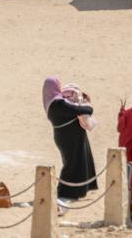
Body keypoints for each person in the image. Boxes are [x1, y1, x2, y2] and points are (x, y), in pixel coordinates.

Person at [43, 78, 96, 212]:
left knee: (78, 161)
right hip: (69, 137)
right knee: (72, 163)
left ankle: (78, 190)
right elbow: (80, 110)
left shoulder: (50, 102)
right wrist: (88, 106)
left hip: (67, 135)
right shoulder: (58, 103)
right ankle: (65, 192)